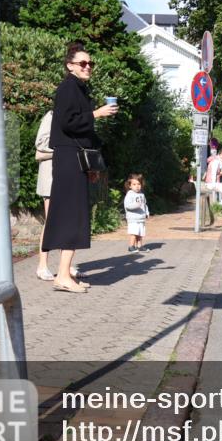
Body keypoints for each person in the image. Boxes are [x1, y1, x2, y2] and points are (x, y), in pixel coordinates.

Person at [40, 41, 118, 293]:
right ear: (70, 66)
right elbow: (66, 123)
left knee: (75, 216)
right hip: (68, 159)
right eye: (82, 63)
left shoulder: (80, 89)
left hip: (76, 159)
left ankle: (64, 274)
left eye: (89, 63)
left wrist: (94, 164)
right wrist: (96, 114)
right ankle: (62, 276)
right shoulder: (67, 89)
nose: (87, 67)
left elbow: (83, 132)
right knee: (72, 216)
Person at [34, 110, 85, 283]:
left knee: (69, 223)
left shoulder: (75, 117)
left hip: (69, 175)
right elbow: (40, 143)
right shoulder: (52, 115)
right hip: (51, 176)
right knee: (51, 222)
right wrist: (66, 145)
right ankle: (42, 265)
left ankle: (66, 266)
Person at [123, 173, 150, 253]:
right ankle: (131, 246)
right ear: (130, 186)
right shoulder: (129, 194)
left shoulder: (142, 194)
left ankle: (140, 246)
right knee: (134, 232)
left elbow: (145, 205)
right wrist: (136, 205)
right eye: (134, 184)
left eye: (139, 184)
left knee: (140, 233)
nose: (137, 186)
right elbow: (127, 206)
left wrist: (147, 212)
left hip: (141, 218)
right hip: (133, 218)